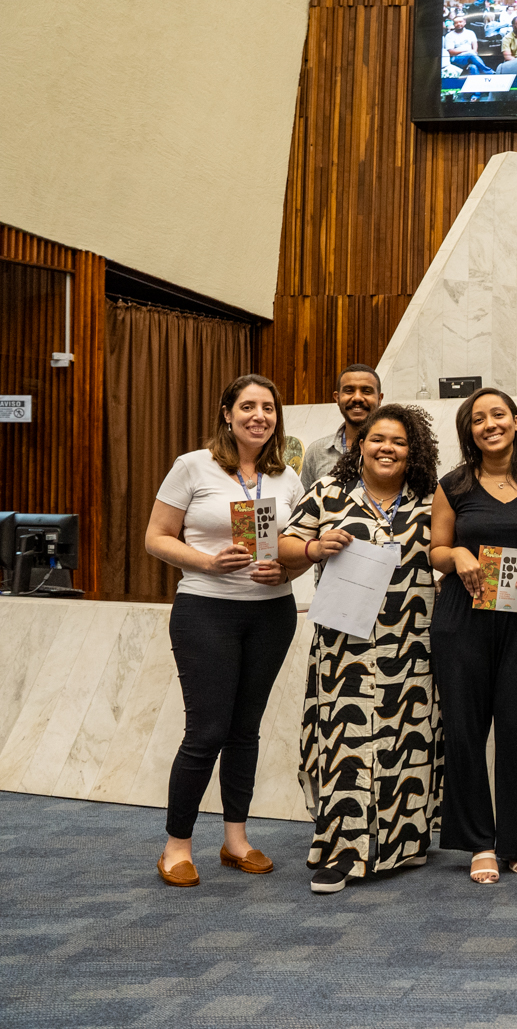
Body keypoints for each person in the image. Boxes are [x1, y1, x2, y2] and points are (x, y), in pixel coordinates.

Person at [144, 374, 307, 887]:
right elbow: (155, 538)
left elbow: (297, 548)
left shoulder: (287, 477)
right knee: (207, 730)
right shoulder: (192, 465)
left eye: (268, 407)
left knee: (245, 730)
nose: (259, 416)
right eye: (248, 406)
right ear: (227, 413)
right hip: (206, 610)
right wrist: (207, 564)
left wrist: (287, 571)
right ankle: (176, 845)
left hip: (272, 613)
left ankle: (235, 840)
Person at [279, 404, 442, 895]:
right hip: (344, 650)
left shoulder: (432, 500)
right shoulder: (329, 493)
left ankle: (402, 844)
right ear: (359, 445)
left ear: (413, 451)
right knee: (348, 747)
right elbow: (284, 546)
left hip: (413, 648)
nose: (386, 448)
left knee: (406, 743)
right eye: (377, 439)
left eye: (397, 441)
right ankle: (343, 852)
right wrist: (313, 548)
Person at [429, 388, 517, 884]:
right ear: (469, 431)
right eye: (478, 418)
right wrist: (458, 556)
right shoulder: (456, 484)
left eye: (498, 415)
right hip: (462, 619)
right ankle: (479, 843)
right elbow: (435, 550)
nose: (490, 424)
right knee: (465, 731)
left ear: (514, 420)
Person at [300, 364, 382, 490]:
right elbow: (306, 506)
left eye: (366, 391)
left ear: (379, 399)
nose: (357, 398)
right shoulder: (316, 452)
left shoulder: (395, 452)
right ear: (337, 398)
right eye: (349, 390)